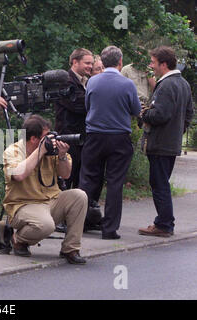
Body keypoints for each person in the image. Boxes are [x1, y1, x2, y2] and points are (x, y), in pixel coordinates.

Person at [3, 115, 88, 264]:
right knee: (46, 225)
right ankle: (18, 239)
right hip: (24, 205)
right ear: (34, 139)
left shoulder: (51, 150)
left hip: (51, 201)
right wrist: (40, 151)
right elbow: (19, 175)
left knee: (79, 196)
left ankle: (70, 249)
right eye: (46, 137)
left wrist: (62, 156)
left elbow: (66, 175)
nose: (51, 140)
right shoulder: (13, 151)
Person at [79, 46, 141, 240]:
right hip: (119, 136)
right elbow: (135, 109)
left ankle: (79, 222)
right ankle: (110, 229)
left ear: (103, 63)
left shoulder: (92, 82)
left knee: (88, 179)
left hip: (95, 135)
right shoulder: (127, 84)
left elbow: (88, 106)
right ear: (120, 62)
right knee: (115, 182)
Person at [138, 46, 194, 237]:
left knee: (159, 183)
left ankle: (164, 224)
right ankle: (164, 222)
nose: (151, 66)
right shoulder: (184, 84)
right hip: (171, 143)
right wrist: (178, 131)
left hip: (160, 143)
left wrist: (144, 113)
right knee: (162, 182)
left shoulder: (167, 84)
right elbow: (189, 114)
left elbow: (160, 115)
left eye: (153, 62)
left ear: (163, 64)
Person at [53, 48, 93, 190]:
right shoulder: (65, 81)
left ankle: (78, 210)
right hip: (68, 136)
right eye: (87, 63)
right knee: (66, 178)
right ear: (75, 62)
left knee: (81, 178)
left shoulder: (87, 82)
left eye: (91, 63)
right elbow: (78, 105)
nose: (90, 66)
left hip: (83, 136)